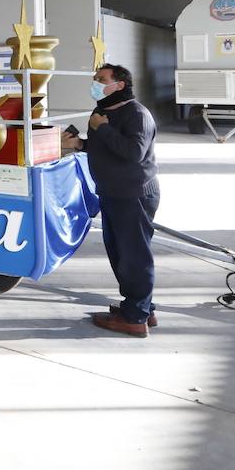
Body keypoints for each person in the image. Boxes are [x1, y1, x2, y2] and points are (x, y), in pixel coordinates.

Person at [61, 64, 160, 338]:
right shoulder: (102, 113)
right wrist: (79, 144)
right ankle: (139, 307)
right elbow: (106, 148)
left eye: (102, 79)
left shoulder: (136, 113)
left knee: (134, 255)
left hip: (133, 193)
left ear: (119, 84)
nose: (96, 83)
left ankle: (135, 318)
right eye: (95, 79)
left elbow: (133, 153)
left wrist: (103, 129)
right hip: (112, 192)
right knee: (120, 252)